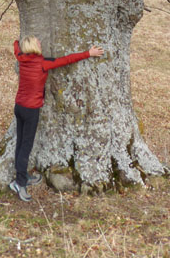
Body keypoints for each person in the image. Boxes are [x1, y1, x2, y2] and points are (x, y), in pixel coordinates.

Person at [9, 35, 104, 202]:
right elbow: (66, 60)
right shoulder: (42, 64)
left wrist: (19, 41)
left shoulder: (20, 57)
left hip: (19, 107)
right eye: (37, 42)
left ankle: (22, 176)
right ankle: (20, 183)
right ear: (33, 47)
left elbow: (16, 45)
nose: (40, 42)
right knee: (25, 147)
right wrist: (88, 53)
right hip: (31, 111)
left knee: (20, 144)